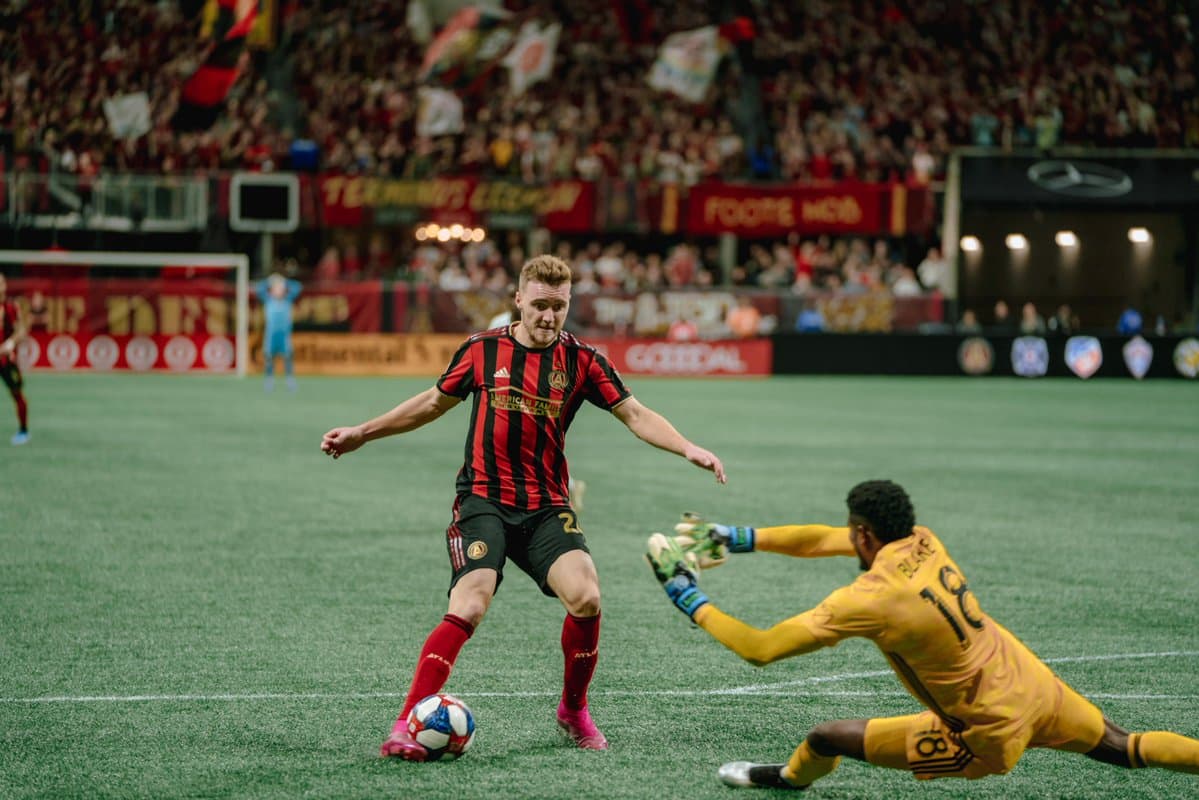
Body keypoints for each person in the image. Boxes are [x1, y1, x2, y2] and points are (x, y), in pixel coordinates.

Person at [321, 254, 726, 760]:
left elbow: (636, 414)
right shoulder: (482, 350)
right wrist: (363, 432)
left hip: (545, 506)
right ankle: (406, 721)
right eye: (539, 305)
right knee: (470, 603)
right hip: (484, 500)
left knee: (587, 597)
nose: (549, 316)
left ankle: (573, 711)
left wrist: (686, 446)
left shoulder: (582, 361)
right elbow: (430, 403)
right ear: (518, 300)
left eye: (558, 306)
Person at [647, 480, 1199, 790]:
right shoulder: (922, 539)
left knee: (825, 738)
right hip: (1032, 682)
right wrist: (740, 538)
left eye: (852, 532)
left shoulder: (869, 600)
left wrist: (686, 594)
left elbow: (759, 649)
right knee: (1124, 746)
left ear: (865, 534)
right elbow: (821, 540)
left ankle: (788, 780)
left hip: (985, 732)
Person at [257, 273, 302, 392]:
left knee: (287, 357)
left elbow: (298, 287)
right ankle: (269, 379)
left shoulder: (287, 300)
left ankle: (290, 380)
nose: (279, 290)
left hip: (284, 336)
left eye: (281, 288)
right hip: (271, 336)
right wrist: (269, 280)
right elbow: (259, 288)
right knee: (269, 358)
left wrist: (285, 281)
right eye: (276, 288)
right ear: (271, 290)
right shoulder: (268, 300)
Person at [0, 273, 30, 445]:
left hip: (6, 361)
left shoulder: (11, 307)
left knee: (16, 393)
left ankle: (23, 431)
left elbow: (21, 331)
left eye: (1, 282)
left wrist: (10, 343)